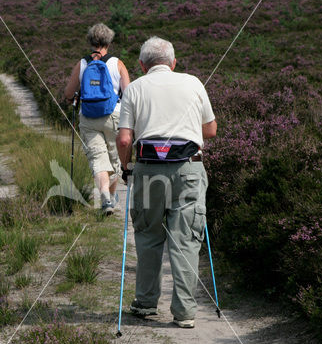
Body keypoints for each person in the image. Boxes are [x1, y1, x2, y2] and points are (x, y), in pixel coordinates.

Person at [117, 36, 217, 328]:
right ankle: (185, 313)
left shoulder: (134, 88)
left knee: (148, 236)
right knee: (186, 239)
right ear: (174, 63)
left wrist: (126, 167)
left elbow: (124, 138)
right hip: (189, 169)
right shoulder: (194, 83)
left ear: (141, 65)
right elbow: (210, 130)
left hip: (149, 171)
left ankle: (146, 304)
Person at [65, 23, 130, 214]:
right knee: (114, 158)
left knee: (97, 158)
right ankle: (110, 198)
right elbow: (129, 94)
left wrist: (73, 98)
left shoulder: (83, 63)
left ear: (90, 41)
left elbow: (68, 93)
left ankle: (105, 197)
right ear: (109, 42)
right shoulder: (118, 63)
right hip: (114, 116)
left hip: (88, 117)